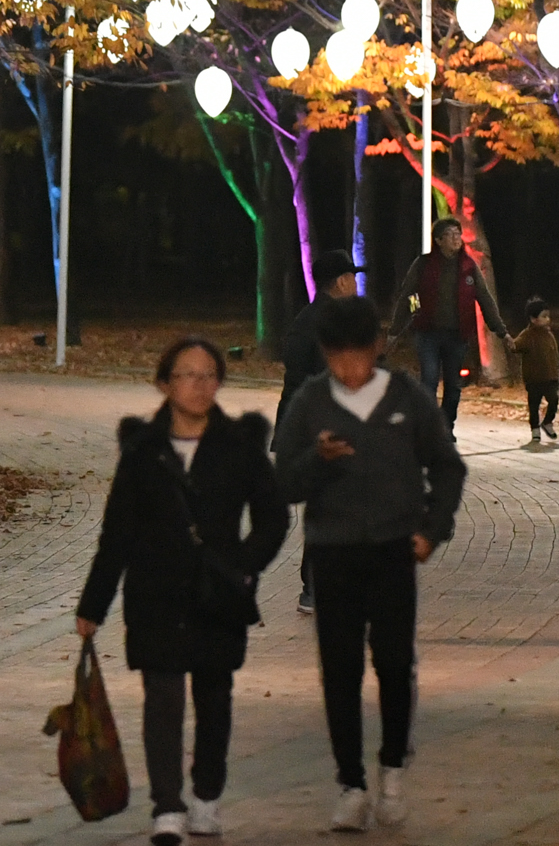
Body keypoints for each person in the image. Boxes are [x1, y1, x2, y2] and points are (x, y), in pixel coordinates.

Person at [77, 336, 289, 843]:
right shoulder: (143, 451)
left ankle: (207, 797)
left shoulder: (240, 446)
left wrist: (244, 565)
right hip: (156, 593)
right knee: (163, 701)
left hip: (219, 594)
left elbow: (273, 517)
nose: (199, 385)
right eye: (187, 375)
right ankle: (166, 805)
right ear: (165, 383)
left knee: (215, 698)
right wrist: (93, 605)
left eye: (209, 375)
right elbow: (117, 533)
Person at [273, 293, 466, 833]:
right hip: (332, 552)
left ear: (377, 348)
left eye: (358, 355)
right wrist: (318, 460)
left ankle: (393, 772)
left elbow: (447, 467)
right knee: (339, 669)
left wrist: (432, 529)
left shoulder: (406, 396)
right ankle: (351, 783)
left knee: (394, 664)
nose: (349, 369)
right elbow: (283, 481)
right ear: (325, 353)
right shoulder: (311, 402)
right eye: (337, 357)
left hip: (392, 549)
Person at [278, 252, 364, 614]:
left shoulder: (311, 319)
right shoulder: (328, 323)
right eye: (352, 277)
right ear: (341, 281)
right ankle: (314, 587)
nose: (356, 284)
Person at [383, 217, 512, 436]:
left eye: (458, 234)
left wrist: (501, 331)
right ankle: (430, 427)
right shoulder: (423, 264)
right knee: (429, 381)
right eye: (451, 234)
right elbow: (407, 295)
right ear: (439, 240)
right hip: (428, 333)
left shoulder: (468, 266)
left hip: (457, 335)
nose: (456, 239)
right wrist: (396, 329)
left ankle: (446, 425)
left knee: (453, 386)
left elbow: (485, 299)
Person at [512, 296, 559, 446]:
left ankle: (547, 422)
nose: (547, 319)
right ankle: (535, 429)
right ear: (533, 319)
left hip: (550, 377)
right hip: (534, 378)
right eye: (544, 316)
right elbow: (515, 346)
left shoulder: (548, 334)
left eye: (548, 316)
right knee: (534, 405)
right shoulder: (527, 335)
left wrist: (556, 373)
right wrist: (508, 340)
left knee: (553, 400)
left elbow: (553, 355)